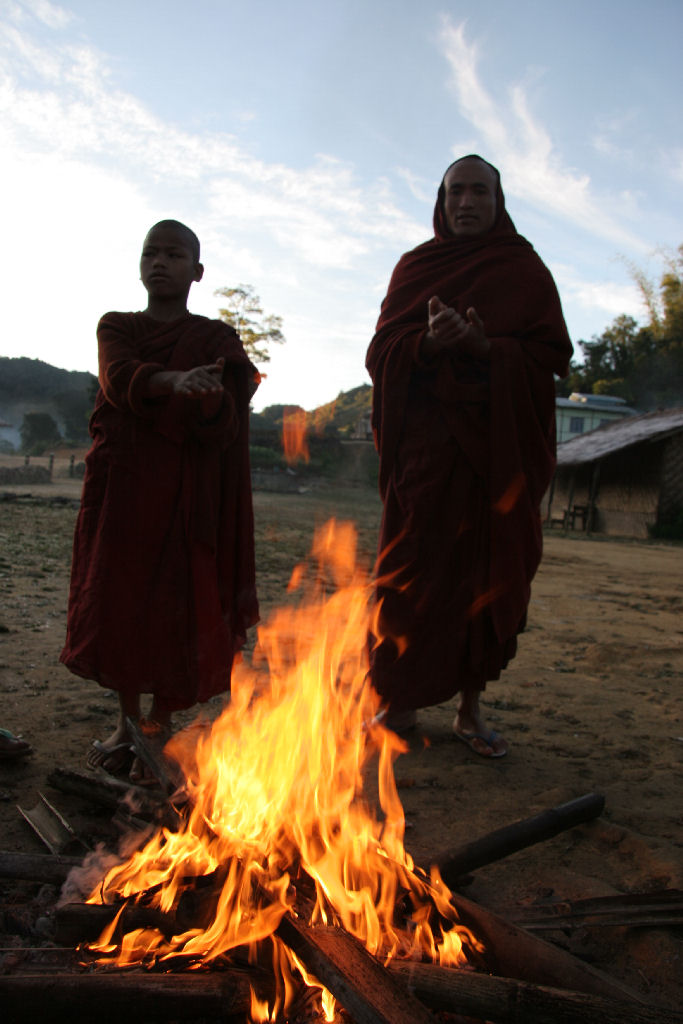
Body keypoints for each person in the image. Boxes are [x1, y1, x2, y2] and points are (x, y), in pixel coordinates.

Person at [366, 156, 572, 756]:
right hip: (426, 460)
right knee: (407, 578)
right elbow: (381, 352)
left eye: (479, 191)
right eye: (456, 192)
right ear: (441, 200)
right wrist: (427, 342)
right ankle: (397, 702)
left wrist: (486, 346)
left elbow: (549, 356)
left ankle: (469, 710)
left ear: (498, 199)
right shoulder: (415, 268)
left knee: (485, 574)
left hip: (493, 456)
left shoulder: (522, 269)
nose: (467, 203)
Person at [61, 219, 259, 778]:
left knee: (179, 604)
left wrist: (211, 396)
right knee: (118, 600)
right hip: (123, 491)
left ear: (196, 272)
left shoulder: (217, 340)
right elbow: (118, 377)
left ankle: (159, 721)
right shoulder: (116, 326)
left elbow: (227, 419)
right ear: (140, 264)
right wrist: (174, 383)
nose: (160, 262)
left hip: (188, 495)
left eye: (174, 254)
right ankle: (126, 719)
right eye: (152, 252)